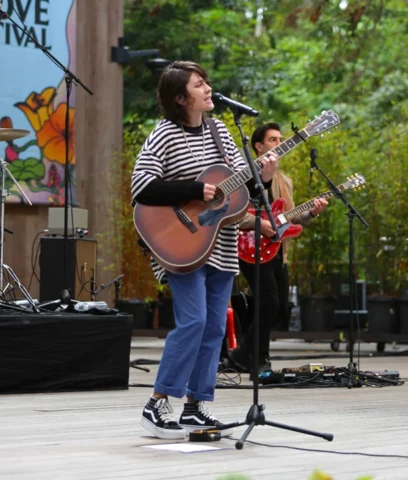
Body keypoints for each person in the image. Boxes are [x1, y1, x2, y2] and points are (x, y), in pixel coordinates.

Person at [131, 61, 280, 439]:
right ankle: (157, 403)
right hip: (180, 244)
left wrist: (260, 176)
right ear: (181, 98)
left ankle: (195, 407)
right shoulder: (164, 134)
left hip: (220, 244)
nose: (208, 89)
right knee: (194, 322)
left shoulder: (220, 132)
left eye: (206, 82)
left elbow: (231, 192)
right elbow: (142, 187)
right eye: (199, 85)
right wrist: (194, 190)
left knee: (214, 327)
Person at [230, 122, 327, 374]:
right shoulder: (244, 176)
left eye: (280, 139)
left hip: (277, 250)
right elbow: (234, 215)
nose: (279, 143)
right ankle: (253, 357)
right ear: (258, 146)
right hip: (250, 247)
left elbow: (290, 218)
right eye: (273, 140)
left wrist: (312, 212)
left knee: (279, 307)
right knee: (269, 303)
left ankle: (248, 355)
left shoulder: (285, 181)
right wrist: (259, 223)